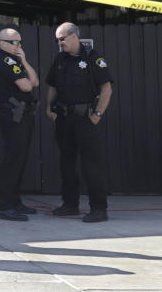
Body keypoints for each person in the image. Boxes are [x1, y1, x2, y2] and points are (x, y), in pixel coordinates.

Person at [45, 22, 114, 223]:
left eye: (62, 38)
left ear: (74, 36)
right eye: (57, 39)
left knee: (91, 164)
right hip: (64, 119)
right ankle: (70, 205)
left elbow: (106, 88)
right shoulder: (60, 60)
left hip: (85, 119)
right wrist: (49, 109)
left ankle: (99, 209)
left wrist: (97, 114)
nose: (59, 42)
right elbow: (53, 87)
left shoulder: (93, 58)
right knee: (67, 163)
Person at [0, 27, 40, 221]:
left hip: (22, 115)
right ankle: (4, 206)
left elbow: (35, 82)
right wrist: (22, 63)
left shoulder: (17, 61)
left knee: (20, 160)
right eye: (14, 42)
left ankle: (15, 201)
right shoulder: (6, 61)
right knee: (12, 160)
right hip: (13, 116)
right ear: (2, 43)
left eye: (20, 42)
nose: (18, 46)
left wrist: (25, 60)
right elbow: (26, 85)